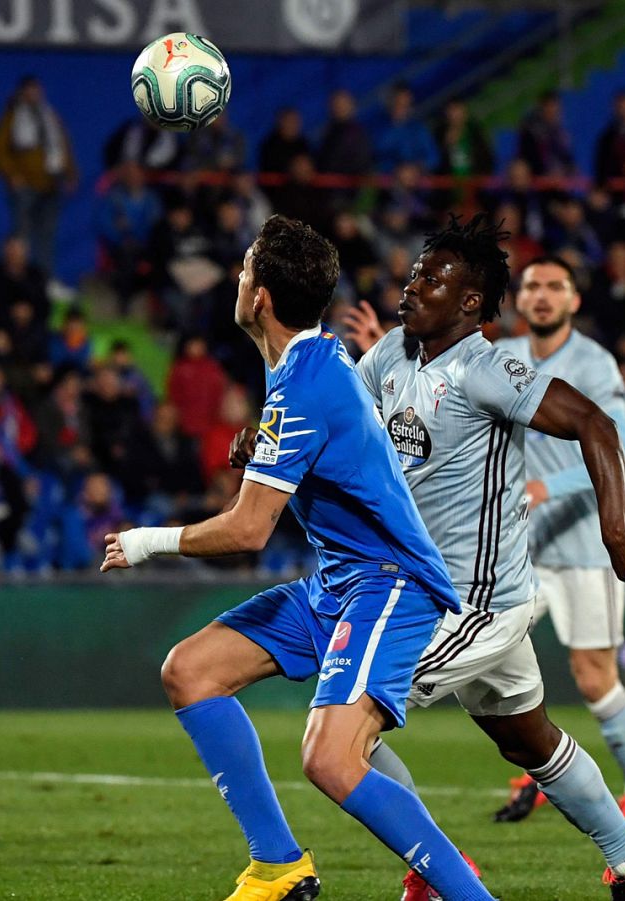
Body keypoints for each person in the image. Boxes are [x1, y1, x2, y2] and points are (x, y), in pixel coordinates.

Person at [100, 214, 498, 901]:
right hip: (338, 582)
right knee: (191, 670)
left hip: (391, 584)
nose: (239, 276)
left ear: (259, 298)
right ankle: (278, 863)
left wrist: (147, 541)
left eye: (246, 267)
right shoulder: (302, 368)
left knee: (330, 759)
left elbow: (249, 531)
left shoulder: (303, 385)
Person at [331, 218, 625, 901]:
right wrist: (272, 439)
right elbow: (345, 422)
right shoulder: (393, 354)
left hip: (475, 602)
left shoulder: (488, 367)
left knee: (343, 718)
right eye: (414, 272)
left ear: (469, 302)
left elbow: (596, 425)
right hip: (440, 590)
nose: (412, 283)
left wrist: (614, 530)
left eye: (432, 277)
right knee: (529, 741)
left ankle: (436, 864)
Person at [483, 256, 625, 826]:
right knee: (488, 660)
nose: (541, 296)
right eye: (532, 286)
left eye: (554, 287)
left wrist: (547, 485)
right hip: (518, 551)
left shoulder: (593, 362)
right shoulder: (502, 358)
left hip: (588, 546)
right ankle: (538, 764)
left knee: (593, 677)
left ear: (573, 301)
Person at [0, 76, 77, 276]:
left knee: (46, 236)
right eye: (29, 90)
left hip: (51, 184)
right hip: (26, 187)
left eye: (36, 90)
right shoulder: (12, 117)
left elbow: (61, 145)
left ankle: (44, 280)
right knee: (22, 236)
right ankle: (18, 277)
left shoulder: (49, 114)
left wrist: (70, 174)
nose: (33, 94)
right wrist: (12, 174)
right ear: (21, 92)